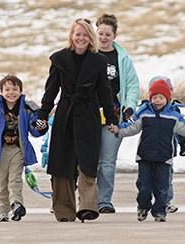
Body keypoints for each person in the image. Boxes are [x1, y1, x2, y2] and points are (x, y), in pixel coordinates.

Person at [37, 18, 118, 223]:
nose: (81, 38)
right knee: (62, 160)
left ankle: (88, 207)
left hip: (88, 114)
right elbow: (51, 90)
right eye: (77, 34)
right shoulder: (59, 59)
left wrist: (111, 117)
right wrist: (42, 115)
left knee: (87, 160)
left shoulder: (98, 61)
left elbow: (105, 92)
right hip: (65, 113)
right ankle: (64, 210)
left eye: (85, 34)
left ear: (90, 38)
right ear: (72, 37)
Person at [107, 79, 185, 222]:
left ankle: (159, 211)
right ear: (150, 98)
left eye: (161, 98)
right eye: (154, 97)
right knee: (144, 186)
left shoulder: (173, 116)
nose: (157, 101)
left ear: (167, 99)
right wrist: (118, 129)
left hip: (164, 158)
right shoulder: (144, 113)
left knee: (162, 188)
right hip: (145, 157)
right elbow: (131, 127)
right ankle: (143, 207)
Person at [0, 75, 46, 222]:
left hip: (18, 148)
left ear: (21, 90)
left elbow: (35, 127)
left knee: (15, 179)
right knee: (1, 182)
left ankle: (17, 204)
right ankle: (3, 210)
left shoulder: (28, 106)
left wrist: (40, 126)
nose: (11, 93)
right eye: (7, 89)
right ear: (1, 91)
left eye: (15, 89)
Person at [95, 13, 140, 214]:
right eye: (100, 33)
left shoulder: (122, 59)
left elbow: (132, 85)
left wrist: (129, 106)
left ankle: (104, 201)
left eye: (107, 34)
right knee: (84, 158)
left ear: (114, 35)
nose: (103, 37)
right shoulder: (87, 53)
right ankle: (82, 200)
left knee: (106, 160)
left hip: (112, 115)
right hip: (88, 113)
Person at [146, 76, 185, 214]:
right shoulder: (146, 109)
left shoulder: (174, 109)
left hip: (167, 150)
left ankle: (166, 201)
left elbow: (181, 128)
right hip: (149, 151)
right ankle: (148, 201)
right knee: (148, 178)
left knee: (166, 177)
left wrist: (183, 143)